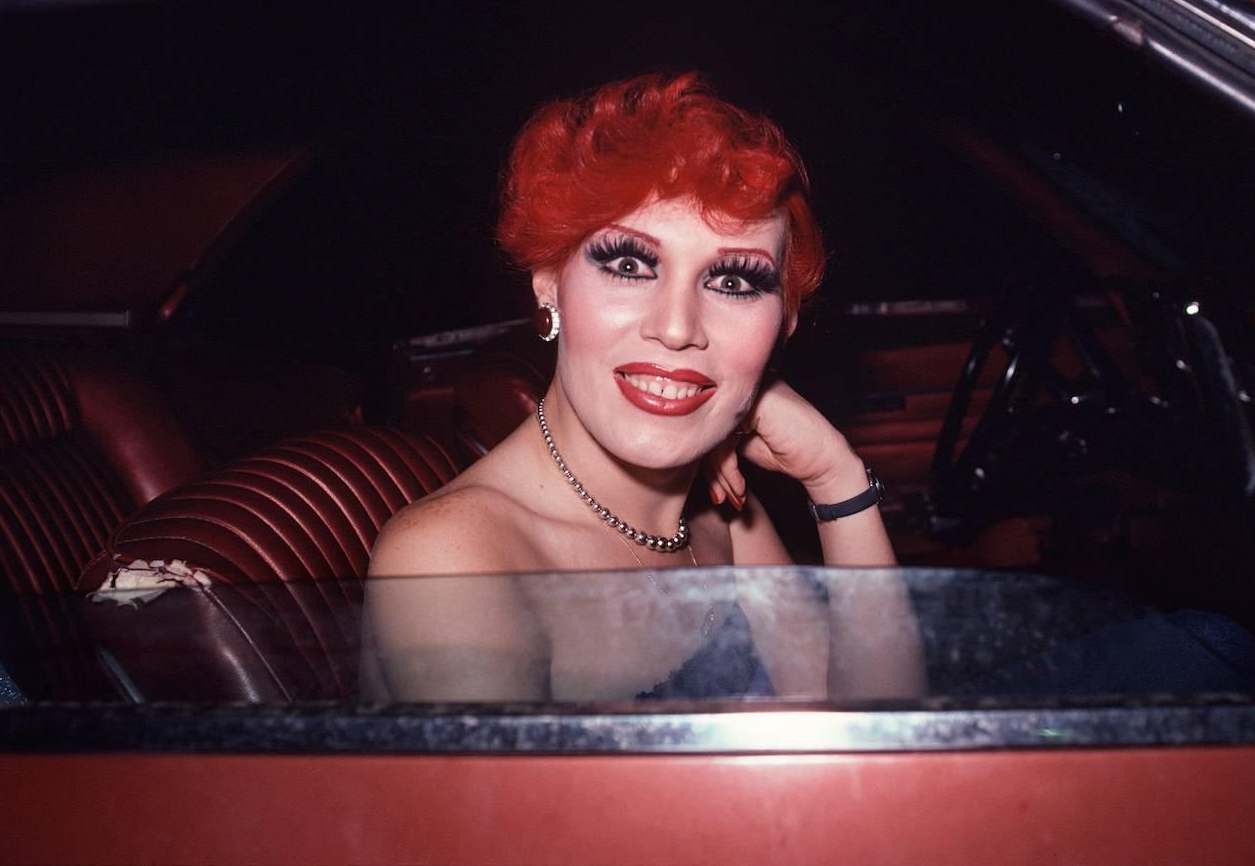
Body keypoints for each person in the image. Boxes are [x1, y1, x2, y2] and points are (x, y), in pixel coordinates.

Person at [362, 73, 924, 701]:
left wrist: (837, 478)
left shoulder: (724, 513)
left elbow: (874, 736)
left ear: (782, 323)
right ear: (548, 282)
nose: (678, 328)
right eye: (630, 265)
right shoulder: (456, 561)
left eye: (733, 282)